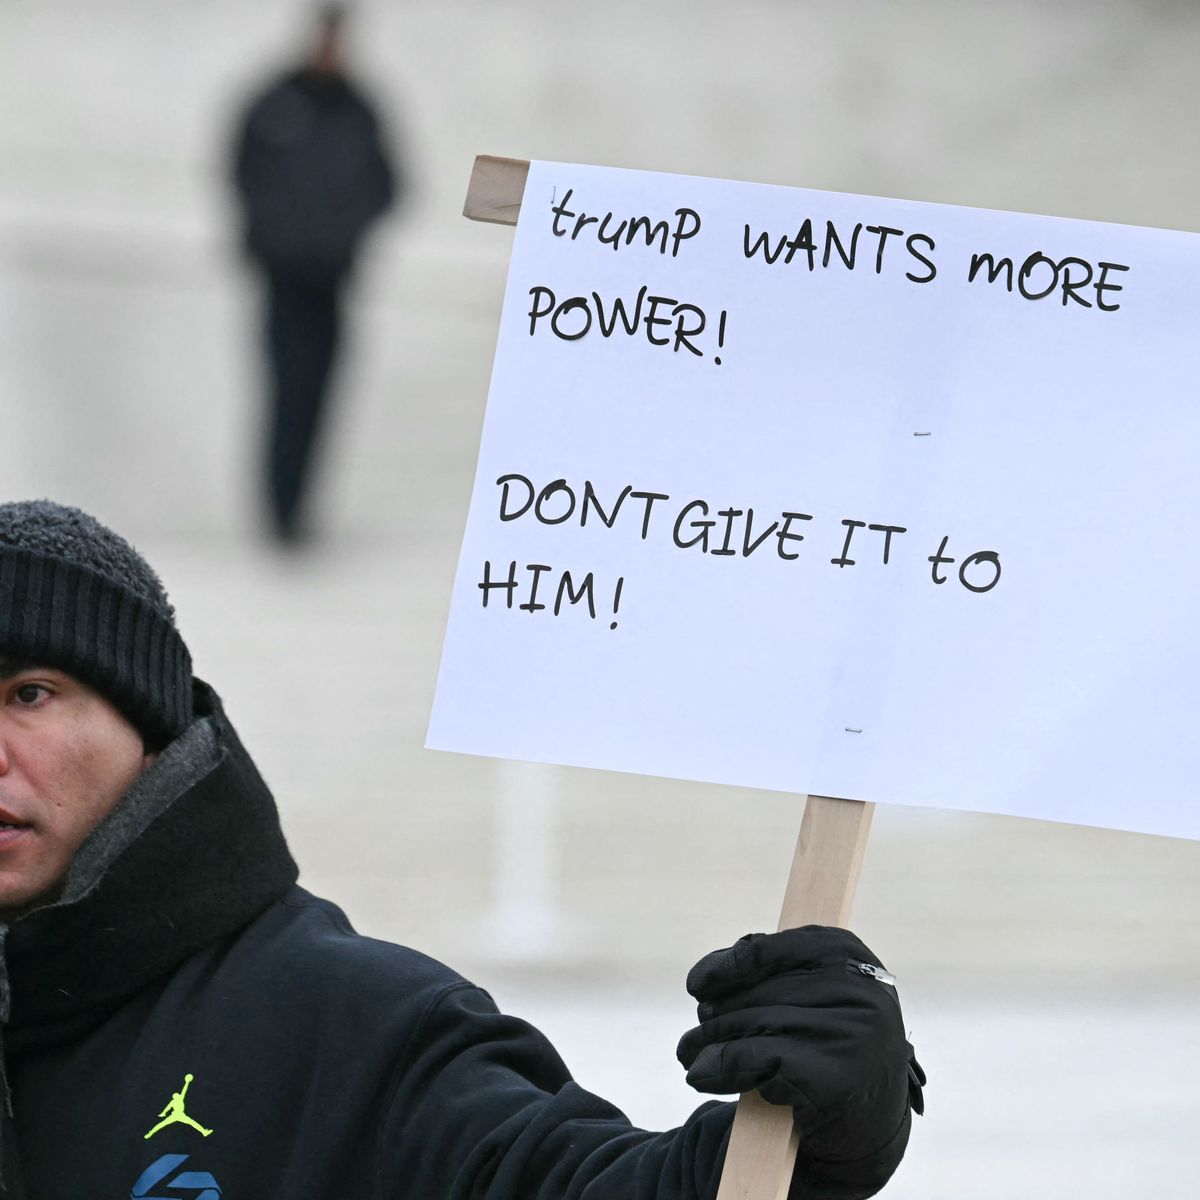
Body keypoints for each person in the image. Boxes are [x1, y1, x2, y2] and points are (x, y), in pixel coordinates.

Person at [0, 499, 924, 1198]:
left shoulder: (340, 1025)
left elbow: (587, 1186)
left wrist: (823, 1132)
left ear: (150, 728)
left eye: (28, 694)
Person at [232, 4, 399, 543]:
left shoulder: (358, 110)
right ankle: (277, 512)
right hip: (283, 281)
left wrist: (342, 234)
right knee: (284, 389)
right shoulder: (275, 103)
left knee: (319, 397)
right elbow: (242, 172)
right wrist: (272, 235)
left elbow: (388, 185)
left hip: (331, 281)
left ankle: (300, 510)